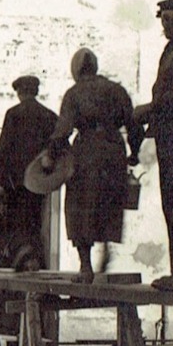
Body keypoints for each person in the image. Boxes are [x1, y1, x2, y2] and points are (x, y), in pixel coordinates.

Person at [47, 47, 140, 281]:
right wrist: (134, 153)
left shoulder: (74, 93)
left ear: (76, 70)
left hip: (86, 152)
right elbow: (134, 124)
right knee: (109, 201)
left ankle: (86, 266)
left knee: (79, 207)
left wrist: (51, 154)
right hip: (113, 149)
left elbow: (63, 130)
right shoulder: (116, 90)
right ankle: (107, 247)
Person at [134, 0, 173, 291]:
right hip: (167, 135)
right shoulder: (172, 48)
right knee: (172, 204)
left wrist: (148, 110)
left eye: (167, 19)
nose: (163, 25)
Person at [0, 75, 57, 271]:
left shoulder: (13, 113)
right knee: (36, 219)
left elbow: (4, 145)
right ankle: (35, 260)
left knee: (17, 221)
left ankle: (23, 260)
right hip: (40, 180)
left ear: (19, 93)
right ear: (35, 91)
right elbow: (57, 145)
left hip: (15, 181)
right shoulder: (49, 115)